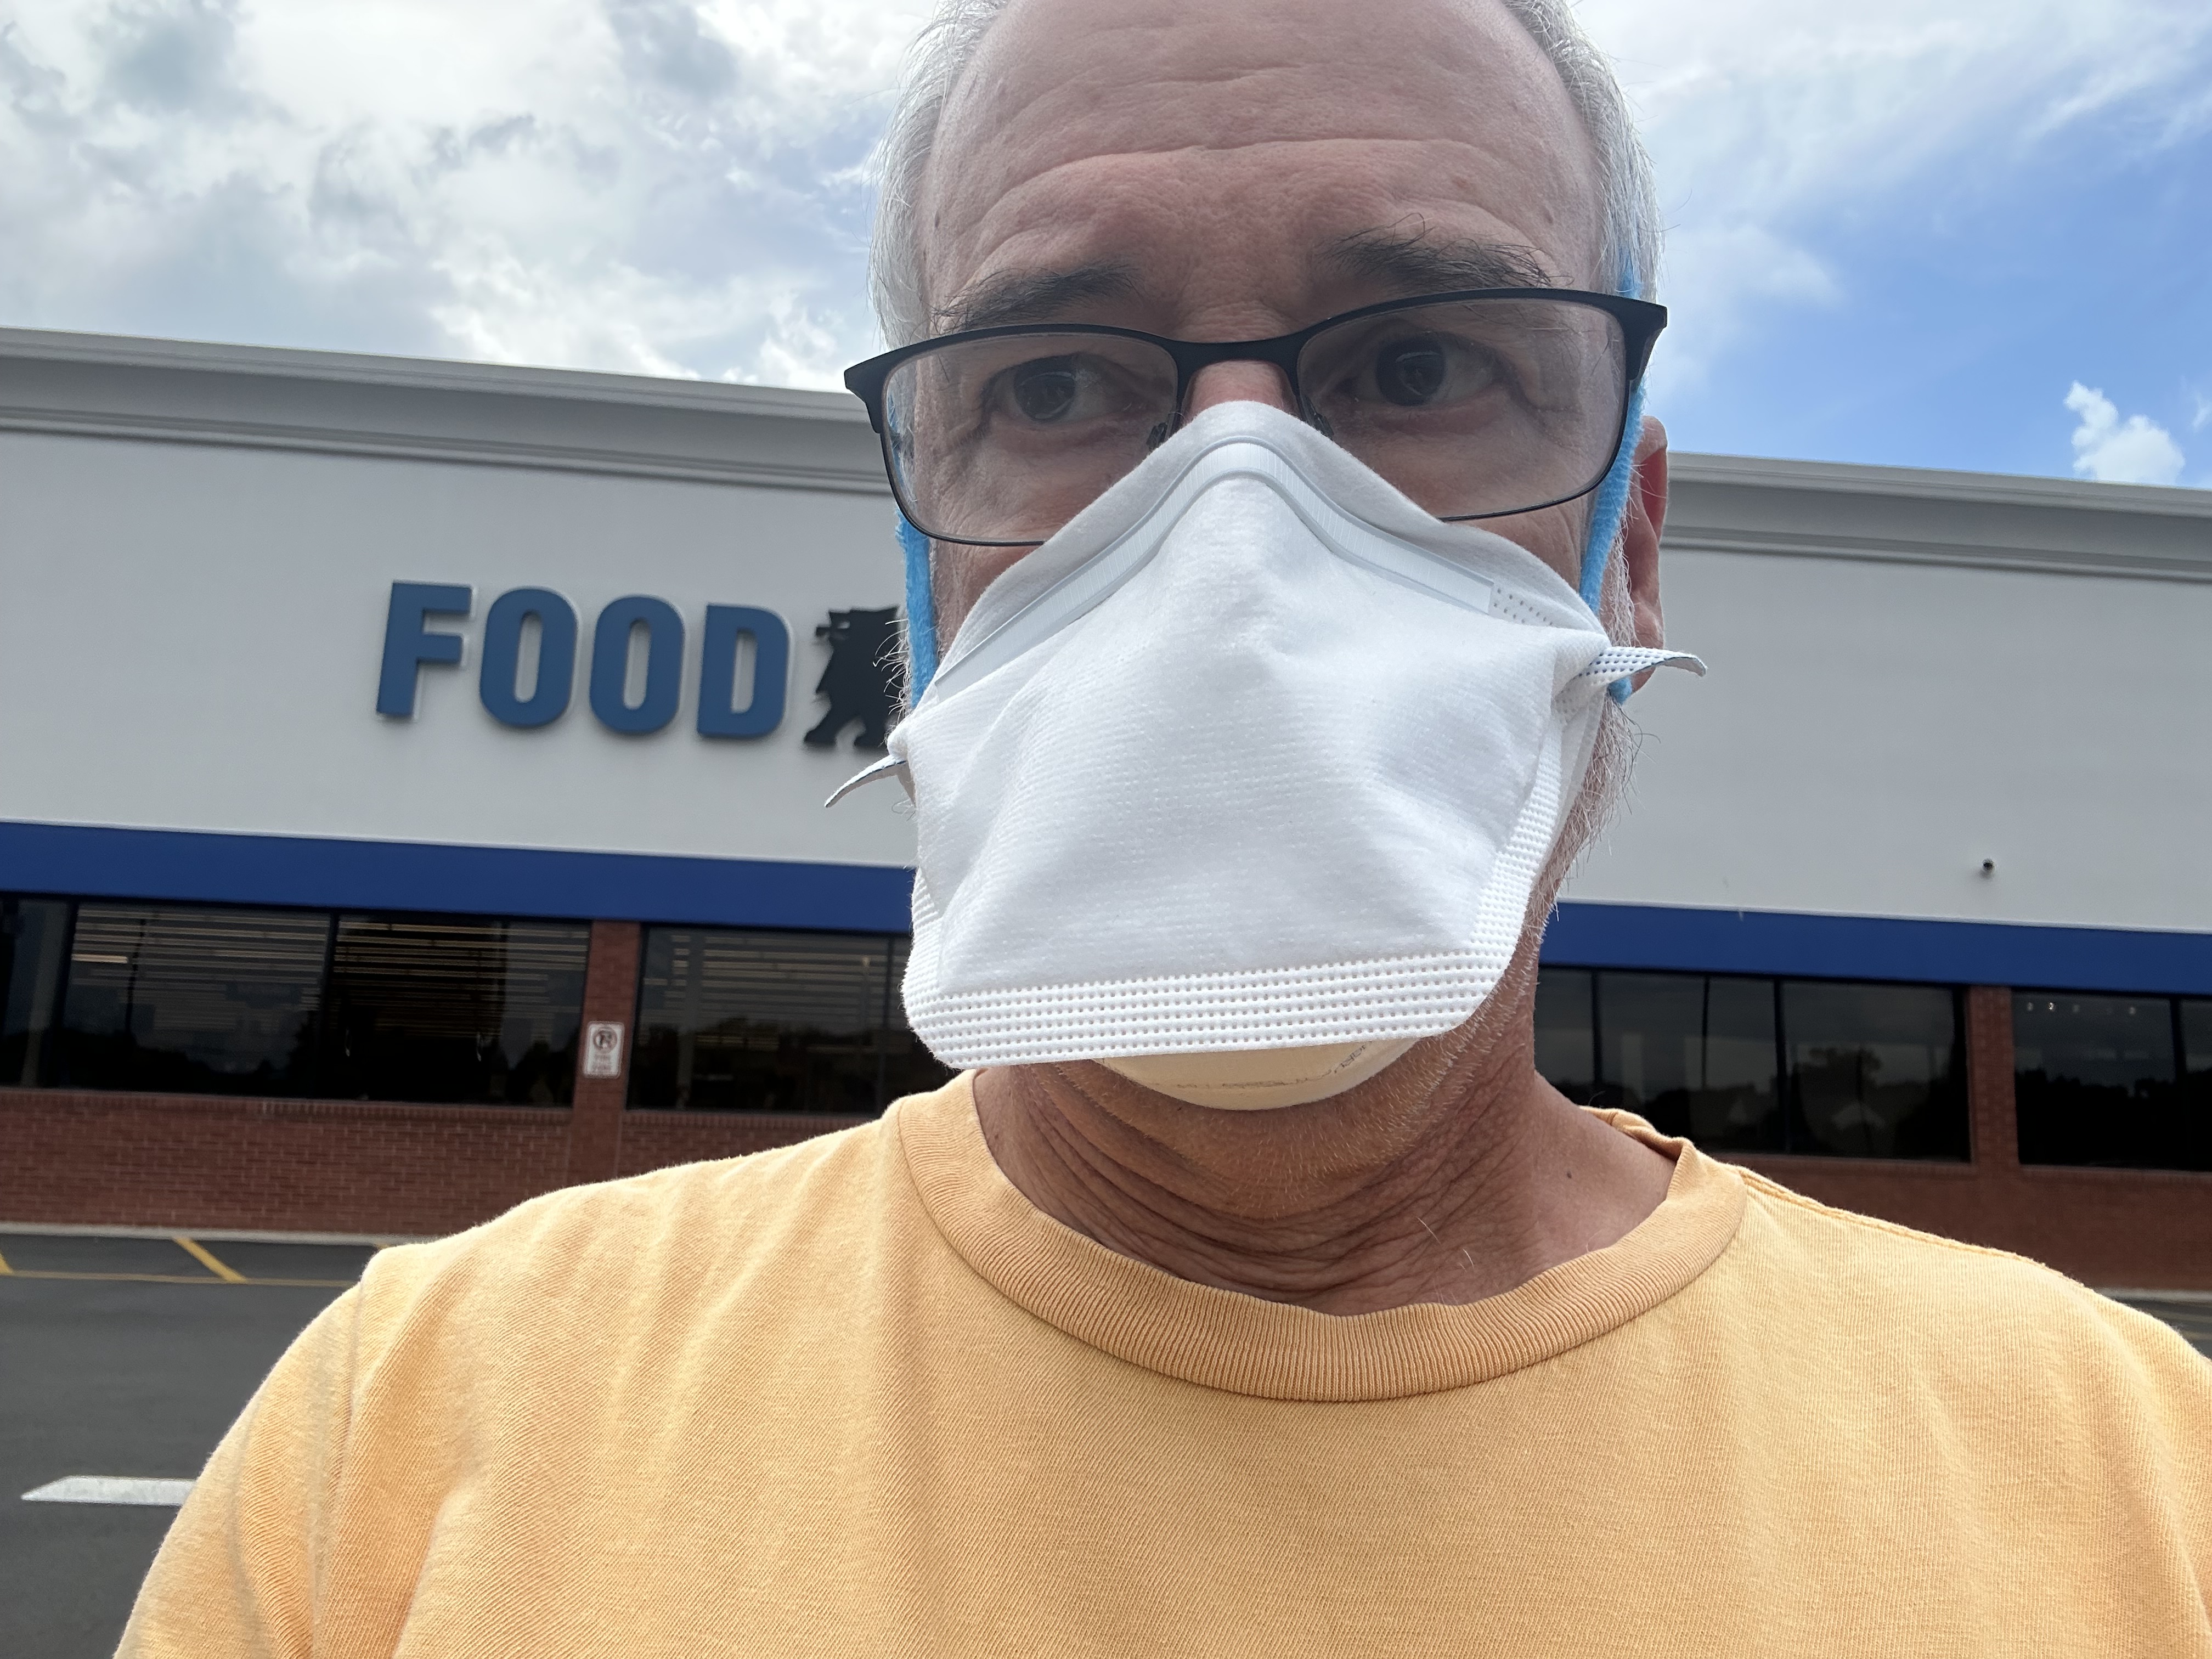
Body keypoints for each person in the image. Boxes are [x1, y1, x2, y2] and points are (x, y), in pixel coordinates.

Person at [123, 0, 2210, 1653]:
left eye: (1418, 361)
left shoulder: (2142, 1496)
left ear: (1629, 555)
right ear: (922, 561)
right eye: (1053, 385)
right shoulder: (403, 1449)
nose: (1234, 531)